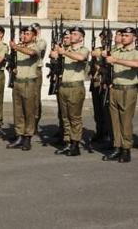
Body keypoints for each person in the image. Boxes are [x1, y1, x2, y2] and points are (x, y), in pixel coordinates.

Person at [52, 26, 89, 156]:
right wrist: (55, 56)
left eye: (75, 34)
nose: (72, 36)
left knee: (75, 118)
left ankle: (75, 144)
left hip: (75, 87)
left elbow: (80, 58)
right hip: (63, 86)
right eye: (71, 34)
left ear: (81, 37)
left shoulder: (83, 50)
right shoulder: (66, 49)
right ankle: (67, 142)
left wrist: (64, 53)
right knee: (65, 117)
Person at [103, 27, 138, 163]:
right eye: (122, 35)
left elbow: (136, 64)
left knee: (126, 121)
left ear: (134, 38)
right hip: (115, 88)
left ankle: (126, 149)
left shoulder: (135, 52)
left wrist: (115, 60)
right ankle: (117, 147)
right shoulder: (115, 51)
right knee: (115, 120)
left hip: (128, 89)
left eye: (127, 35)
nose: (124, 37)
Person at [6, 26, 40, 151]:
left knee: (29, 111)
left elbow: (31, 53)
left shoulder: (35, 47)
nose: (24, 36)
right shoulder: (19, 47)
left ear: (34, 36)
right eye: (23, 33)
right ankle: (19, 135)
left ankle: (28, 137)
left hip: (28, 83)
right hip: (18, 82)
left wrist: (16, 47)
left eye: (28, 34)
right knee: (18, 111)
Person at [90, 28, 113, 146]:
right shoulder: (97, 50)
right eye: (102, 38)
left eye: (106, 38)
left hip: (106, 84)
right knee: (97, 110)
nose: (103, 40)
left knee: (107, 111)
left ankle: (109, 134)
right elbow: (91, 64)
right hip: (96, 83)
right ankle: (99, 132)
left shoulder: (113, 51)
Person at [31, 23, 47, 133]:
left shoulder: (41, 42)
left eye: (35, 30)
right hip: (26, 71)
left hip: (36, 70)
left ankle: (35, 123)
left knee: (36, 98)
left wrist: (32, 40)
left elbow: (35, 51)